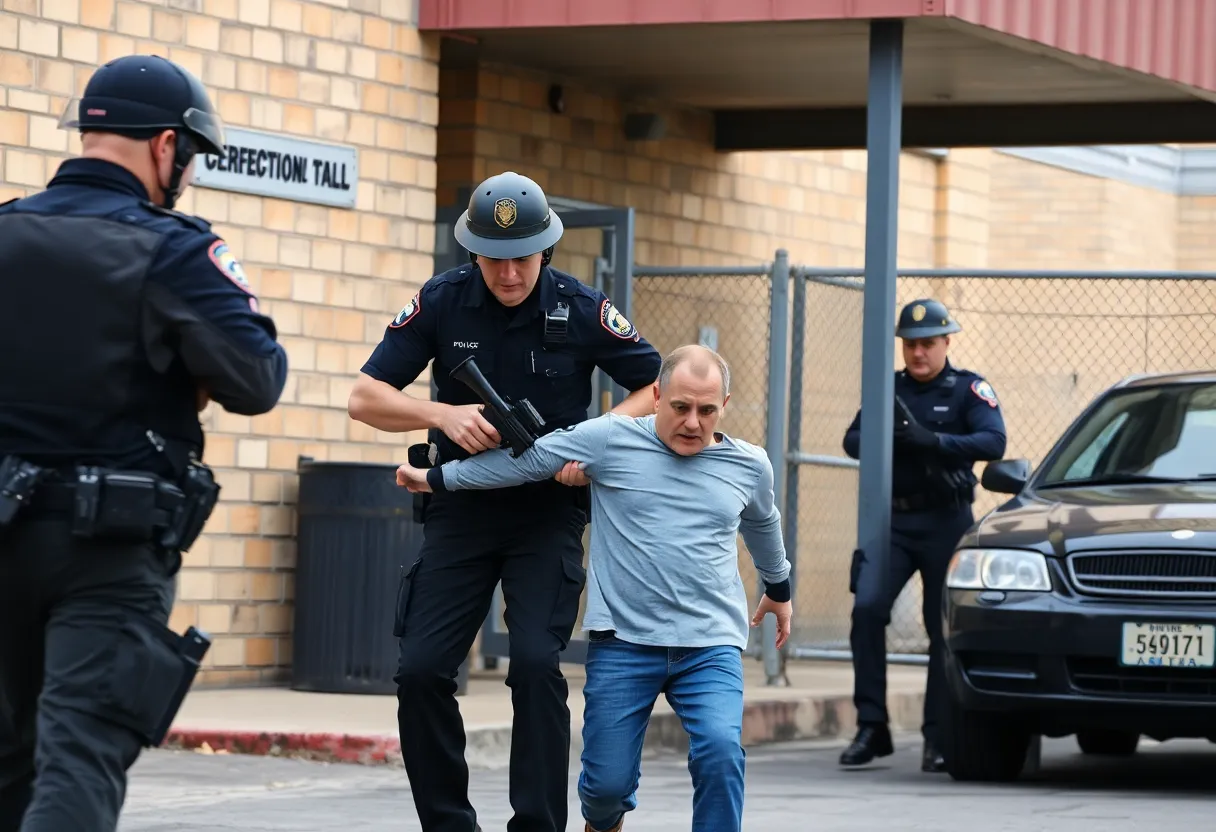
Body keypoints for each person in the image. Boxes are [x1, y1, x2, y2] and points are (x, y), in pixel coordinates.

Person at [0, 54, 288, 832]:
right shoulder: (173, 250)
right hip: (108, 550)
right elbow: (258, 379)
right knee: (78, 759)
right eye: (189, 159)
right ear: (167, 146)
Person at [347, 170, 661, 832]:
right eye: (494, 258)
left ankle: (537, 825)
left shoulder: (579, 306)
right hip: (460, 509)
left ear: (545, 248)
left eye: (521, 258)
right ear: (473, 252)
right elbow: (365, 397)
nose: (509, 273)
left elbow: (653, 390)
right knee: (422, 672)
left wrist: (590, 448)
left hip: (546, 511)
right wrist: (442, 415)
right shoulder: (443, 301)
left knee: (538, 667)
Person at [395, 344, 792, 832]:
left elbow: (763, 523)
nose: (693, 422)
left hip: (709, 645)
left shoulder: (748, 464)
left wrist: (779, 586)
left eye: (707, 410)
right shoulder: (610, 440)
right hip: (624, 644)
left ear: (724, 406)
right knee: (604, 792)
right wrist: (438, 478)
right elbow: (526, 463)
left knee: (720, 751)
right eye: (681, 407)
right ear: (656, 395)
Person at [837, 298, 1006, 773]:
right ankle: (872, 725)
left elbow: (994, 441)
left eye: (928, 344)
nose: (918, 353)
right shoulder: (888, 389)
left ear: (946, 342)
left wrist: (935, 443)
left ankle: (938, 735)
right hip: (894, 523)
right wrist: (888, 437)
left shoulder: (968, 389)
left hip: (947, 522)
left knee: (941, 628)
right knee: (867, 610)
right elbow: (851, 441)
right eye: (910, 345)